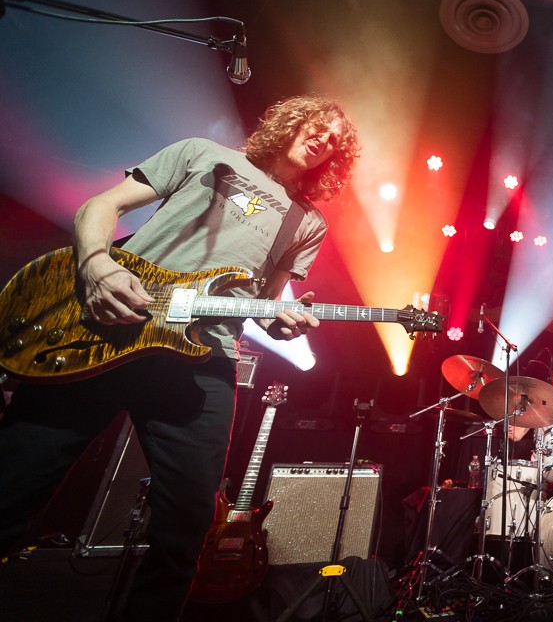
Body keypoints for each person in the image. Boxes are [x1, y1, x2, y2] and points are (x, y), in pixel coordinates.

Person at [0, 95, 360, 621]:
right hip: (109, 329)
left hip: (204, 358)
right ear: (289, 122)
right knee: (14, 482)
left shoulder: (307, 222)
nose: (324, 139)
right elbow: (99, 206)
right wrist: (97, 265)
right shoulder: (203, 154)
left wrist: (283, 321)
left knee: (187, 528)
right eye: (318, 126)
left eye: (335, 140)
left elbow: (266, 302)